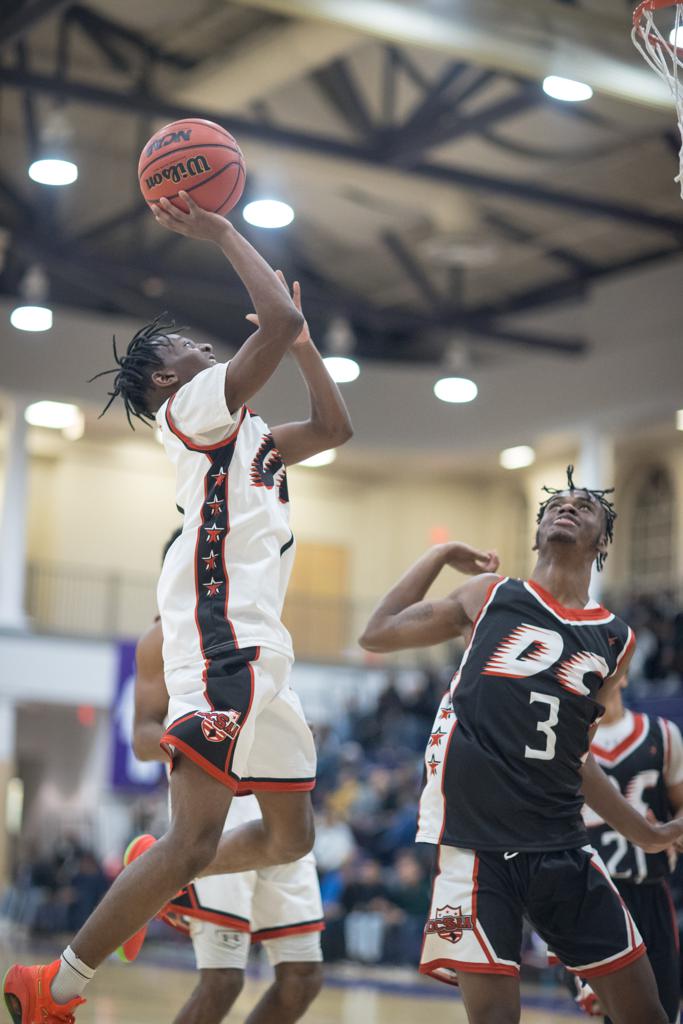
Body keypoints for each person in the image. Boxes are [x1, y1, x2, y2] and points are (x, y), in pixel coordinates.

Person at [5, 191, 352, 1023]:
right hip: (219, 639)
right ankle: (54, 986)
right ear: (166, 379)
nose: (206, 347)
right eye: (191, 347)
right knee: (196, 837)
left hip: (267, 653)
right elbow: (266, 321)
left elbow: (335, 427)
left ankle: (158, 866)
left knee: (289, 838)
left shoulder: (250, 438)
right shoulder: (189, 411)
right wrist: (225, 230)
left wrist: (303, 345)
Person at [359, 466, 683, 1024]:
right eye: (557, 502)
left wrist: (645, 831)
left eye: (584, 506)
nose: (567, 507)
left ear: (603, 540)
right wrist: (438, 558)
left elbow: (575, 759)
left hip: (561, 842)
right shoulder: (491, 594)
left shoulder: (616, 639)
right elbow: (377, 631)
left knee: (647, 1013)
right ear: (536, 534)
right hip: (476, 843)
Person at [128, 610, 324, 1024]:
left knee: (303, 978)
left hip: (278, 802)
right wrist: (194, 748)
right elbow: (141, 735)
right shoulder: (162, 636)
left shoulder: (263, 623)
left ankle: (159, 875)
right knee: (223, 981)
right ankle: (163, 874)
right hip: (221, 806)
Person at [572, 675, 683, 1024]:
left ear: (624, 674)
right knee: (612, 1009)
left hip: (651, 889)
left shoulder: (663, 734)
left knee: (662, 1009)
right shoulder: (564, 741)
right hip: (593, 894)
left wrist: (669, 831)